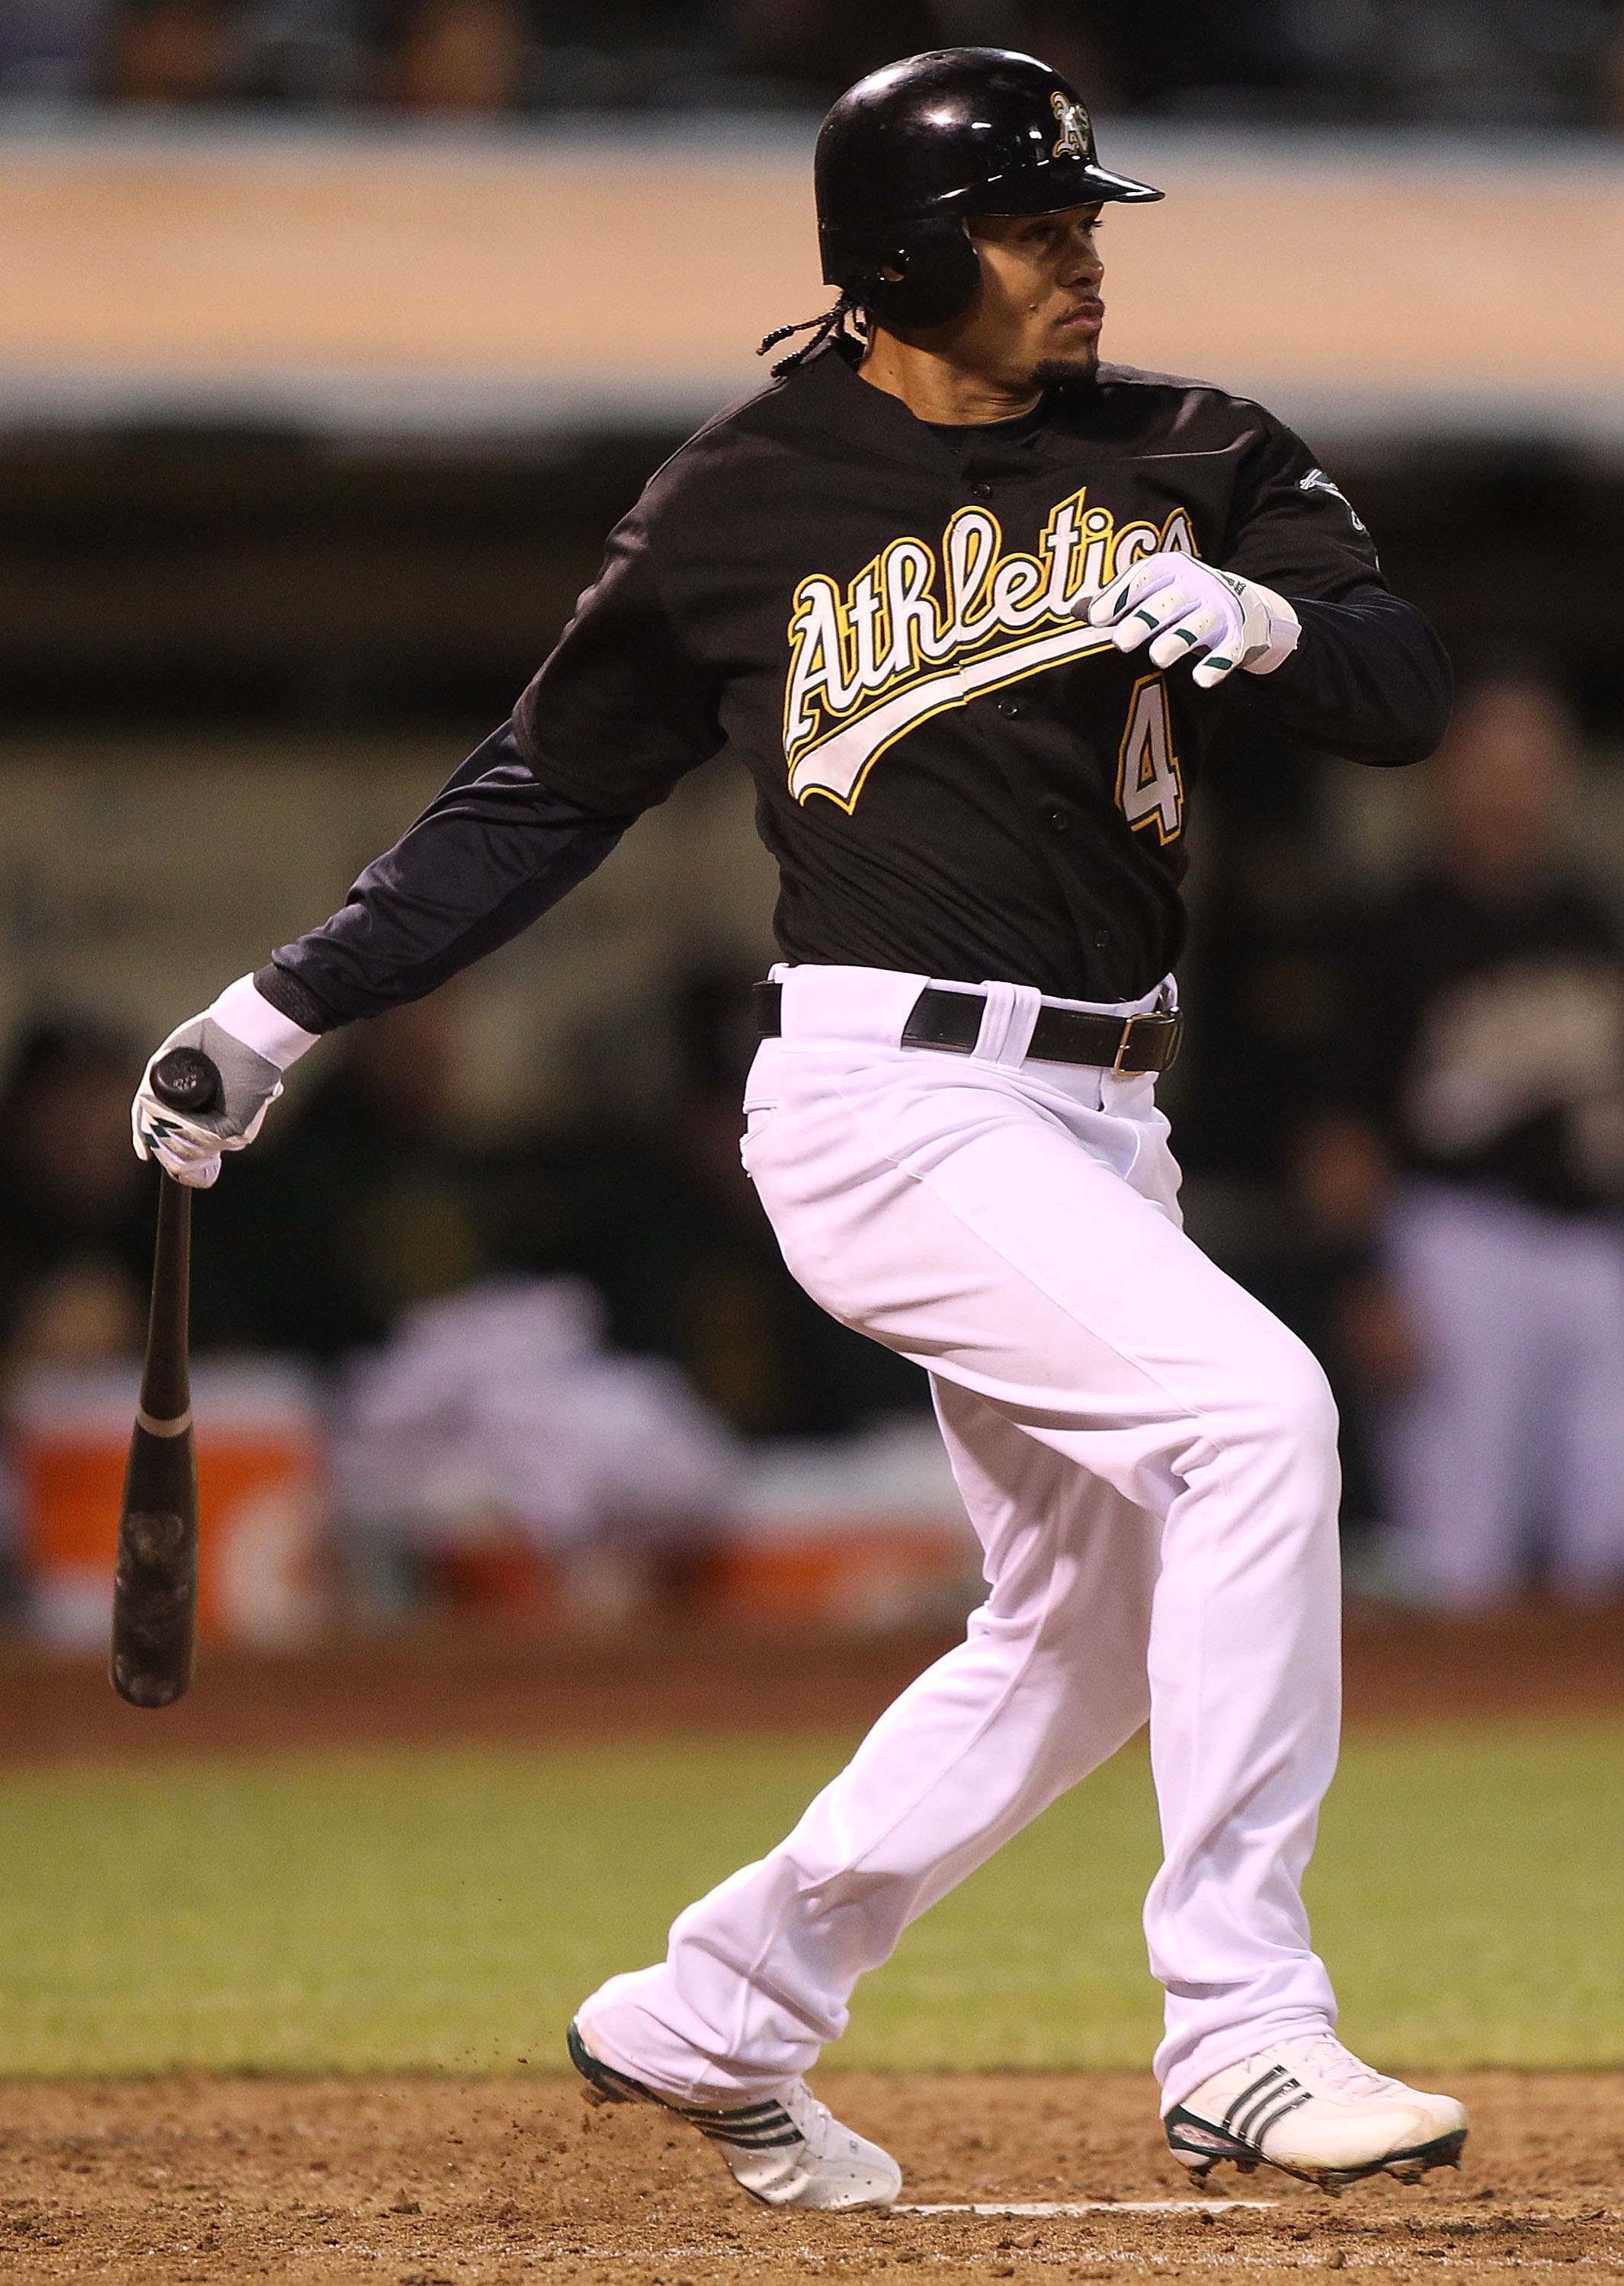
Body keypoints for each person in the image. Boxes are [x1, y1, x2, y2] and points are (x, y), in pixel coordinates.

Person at [131, 46, 1467, 2211]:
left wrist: (1280, 623)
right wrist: (282, 1008)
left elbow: (1402, 687)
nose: (1080, 260)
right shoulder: (744, 492)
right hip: (886, 1100)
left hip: (1105, 1113)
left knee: (1090, 1630)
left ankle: (722, 2003)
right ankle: (1241, 2030)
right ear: (902, 261)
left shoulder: (1192, 448)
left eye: (1082, 219)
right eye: (1035, 228)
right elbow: (542, 793)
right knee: (1254, 1421)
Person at [1300, 677, 1624, 1609]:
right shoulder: (1394, 928)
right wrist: (1362, 1274)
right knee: (1459, 1538)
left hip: (1595, 1247)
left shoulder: (1584, 918)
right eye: (1496, 768)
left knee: (1607, 1524)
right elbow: (1340, 1134)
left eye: (1534, 769)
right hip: (1457, 1242)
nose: (1514, 791)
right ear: (1449, 780)